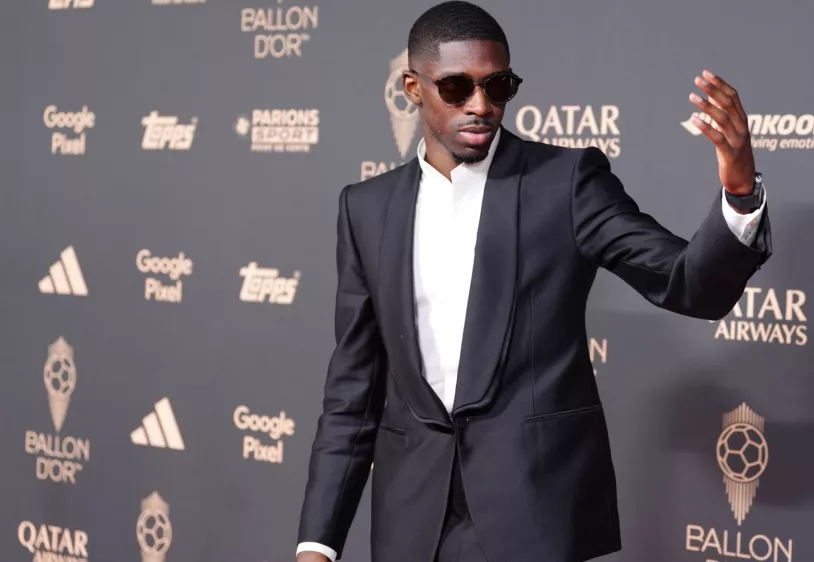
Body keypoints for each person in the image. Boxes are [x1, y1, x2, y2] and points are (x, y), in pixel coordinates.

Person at [295, 2, 771, 561]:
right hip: (411, 521)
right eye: (456, 87)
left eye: (499, 86)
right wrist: (316, 543)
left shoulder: (565, 184)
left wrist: (739, 192)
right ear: (412, 87)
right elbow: (352, 389)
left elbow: (691, 285)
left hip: (533, 514)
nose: (481, 106)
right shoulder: (366, 208)